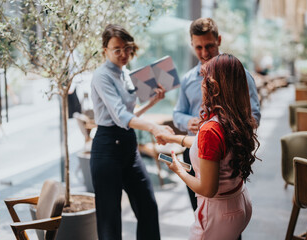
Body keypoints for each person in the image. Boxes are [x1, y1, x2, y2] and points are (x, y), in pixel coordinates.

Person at [158, 53, 260, 240]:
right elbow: (205, 147)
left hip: (218, 214)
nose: (202, 84)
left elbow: (207, 189)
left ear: (215, 86)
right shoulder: (236, 118)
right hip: (240, 201)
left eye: (205, 79)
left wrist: (178, 169)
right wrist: (172, 138)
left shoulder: (211, 130)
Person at [90, 24, 173, 240]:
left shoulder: (125, 73)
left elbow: (130, 112)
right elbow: (120, 116)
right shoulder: (101, 76)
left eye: (127, 48)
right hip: (107, 148)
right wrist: (153, 127)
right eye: (116, 49)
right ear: (105, 51)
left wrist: (153, 101)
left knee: (148, 206)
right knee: (110, 221)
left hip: (128, 145)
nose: (123, 54)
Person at [173, 17, 261, 211]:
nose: (204, 53)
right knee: (200, 210)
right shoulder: (188, 79)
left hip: (227, 154)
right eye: (198, 47)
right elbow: (177, 113)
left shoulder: (241, 76)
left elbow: (254, 115)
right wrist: (189, 122)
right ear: (191, 45)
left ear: (219, 40)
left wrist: (225, 128)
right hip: (195, 152)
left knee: (226, 207)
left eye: (209, 46)